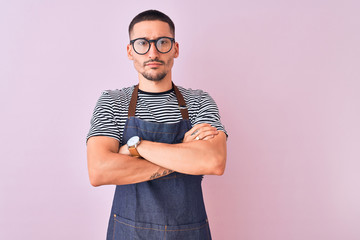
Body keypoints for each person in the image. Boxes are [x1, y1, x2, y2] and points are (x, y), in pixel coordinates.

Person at [86, 9, 227, 240]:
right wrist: (185, 155)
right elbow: (99, 171)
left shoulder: (199, 101)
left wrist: (136, 147)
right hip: (127, 232)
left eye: (163, 42)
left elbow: (213, 161)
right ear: (130, 51)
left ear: (176, 48)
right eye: (142, 43)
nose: (153, 52)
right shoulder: (112, 101)